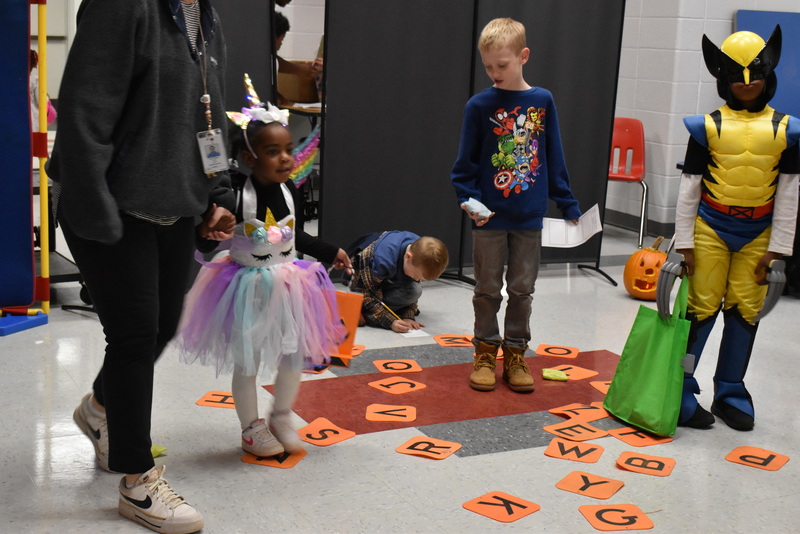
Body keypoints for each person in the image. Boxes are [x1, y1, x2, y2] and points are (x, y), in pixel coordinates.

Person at [47, 1, 235, 532]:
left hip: (175, 201)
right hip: (107, 200)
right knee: (132, 334)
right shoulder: (123, 5)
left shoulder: (206, 15)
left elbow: (209, 111)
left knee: (161, 326)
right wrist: (92, 211)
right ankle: (137, 481)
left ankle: (100, 408)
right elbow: (84, 111)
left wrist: (218, 190)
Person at [175, 96, 349, 458]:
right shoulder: (236, 195)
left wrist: (330, 251)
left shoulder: (290, 191)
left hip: (288, 286)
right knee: (248, 360)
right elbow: (207, 238)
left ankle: (281, 415)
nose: (286, 158)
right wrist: (211, 230)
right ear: (250, 158)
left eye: (289, 149)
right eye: (273, 151)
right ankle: (251, 428)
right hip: (246, 289)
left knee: (292, 353)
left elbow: (296, 234)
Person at [673, 26, 799, 431]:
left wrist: (778, 247)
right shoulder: (706, 126)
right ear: (722, 78)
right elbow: (690, 185)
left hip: (758, 233)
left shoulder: (787, 130)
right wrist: (685, 242)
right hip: (710, 225)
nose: (746, 84)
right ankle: (679, 390)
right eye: (737, 76)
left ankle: (730, 391)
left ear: (768, 73)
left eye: (754, 74)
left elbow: (790, 191)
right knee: (700, 309)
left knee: (746, 311)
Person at [450, 18, 581, 394]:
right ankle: (485, 352)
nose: (494, 73)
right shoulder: (479, 105)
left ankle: (517, 353)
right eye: (488, 66)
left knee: (522, 289)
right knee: (487, 289)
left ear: (523, 56)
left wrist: (567, 202)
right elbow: (465, 164)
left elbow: (553, 154)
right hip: (489, 217)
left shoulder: (542, 101)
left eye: (502, 65)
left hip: (529, 215)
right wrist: (466, 198)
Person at [347, 232, 449, 333]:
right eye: (416, 276)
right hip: (361, 282)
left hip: (388, 280)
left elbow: (412, 291)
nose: (418, 280)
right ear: (408, 257)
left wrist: (408, 316)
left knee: (415, 291)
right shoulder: (382, 260)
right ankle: (362, 312)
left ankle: (376, 313)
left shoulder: (418, 255)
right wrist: (390, 322)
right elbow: (368, 295)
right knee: (368, 303)